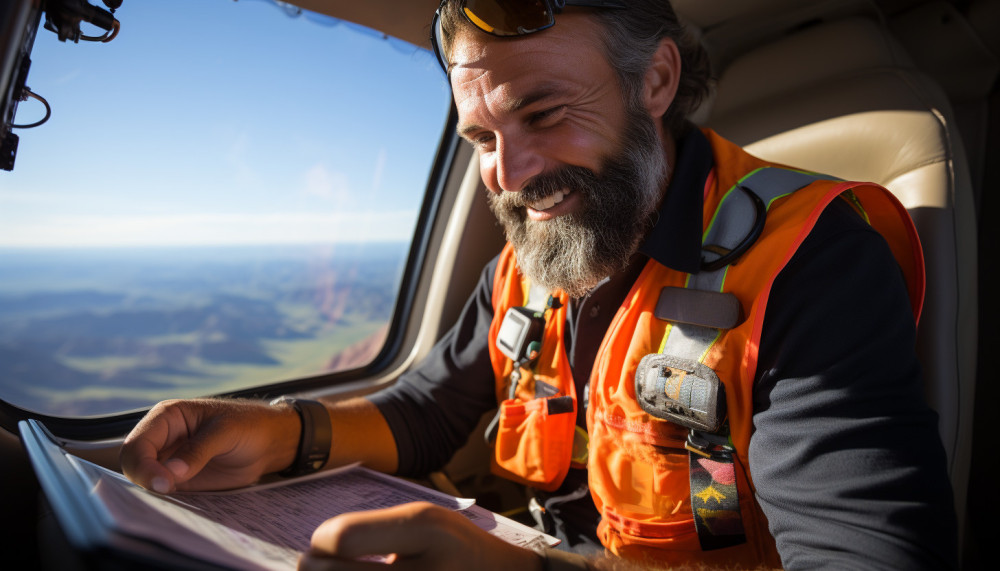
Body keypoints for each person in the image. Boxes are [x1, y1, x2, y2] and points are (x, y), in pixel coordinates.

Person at [120, 1, 958, 569]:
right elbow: (425, 410)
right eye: (480, 134)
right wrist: (276, 431)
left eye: (545, 114)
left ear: (655, 82)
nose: (509, 175)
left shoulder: (809, 263)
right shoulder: (526, 266)